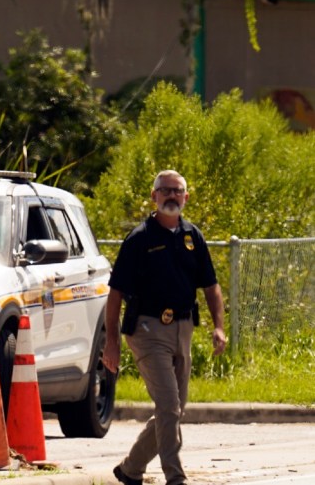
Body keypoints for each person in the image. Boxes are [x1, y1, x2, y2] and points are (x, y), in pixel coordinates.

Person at [102, 169, 227, 485]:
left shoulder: (192, 236)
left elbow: (211, 287)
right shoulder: (139, 239)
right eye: (165, 190)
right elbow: (115, 294)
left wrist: (219, 327)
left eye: (177, 191)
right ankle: (175, 477)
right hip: (146, 330)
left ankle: (130, 469)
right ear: (154, 196)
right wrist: (111, 342)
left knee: (172, 410)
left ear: (186, 197)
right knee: (170, 405)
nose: (171, 196)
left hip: (183, 328)